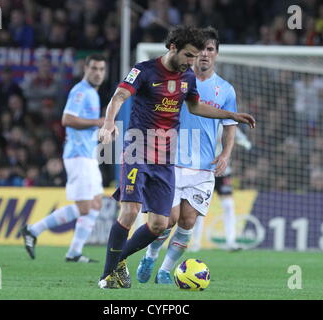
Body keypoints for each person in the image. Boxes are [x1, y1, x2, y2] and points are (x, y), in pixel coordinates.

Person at [97, 25, 255, 289]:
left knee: (159, 224)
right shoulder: (144, 70)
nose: (192, 62)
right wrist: (108, 123)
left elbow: (195, 106)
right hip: (138, 149)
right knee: (130, 211)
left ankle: (120, 261)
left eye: (196, 56)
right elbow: (120, 95)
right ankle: (107, 276)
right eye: (189, 55)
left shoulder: (188, 78)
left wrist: (231, 115)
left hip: (165, 158)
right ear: (173, 48)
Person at [136, 26, 245, 284]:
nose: (205, 55)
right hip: (171, 160)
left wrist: (226, 155)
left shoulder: (226, 90)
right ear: (193, 54)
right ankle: (150, 256)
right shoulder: (179, 80)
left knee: (187, 221)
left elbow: (230, 128)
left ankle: (165, 269)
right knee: (167, 219)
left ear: (217, 54)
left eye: (210, 50)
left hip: (204, 165)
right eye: (201, 50)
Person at [21, 54, 106, 263]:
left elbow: (86, 125)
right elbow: (67, 119)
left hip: (88, 155)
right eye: (94, 68)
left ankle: (74, 252)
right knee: (86, 206)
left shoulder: (93, 94)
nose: (97, 73)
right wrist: (98, 121)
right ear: (85, 68)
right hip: (78, 156)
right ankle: (33, 230)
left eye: (101, 69)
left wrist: (100, 132)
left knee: (96, 203)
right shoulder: (80, 91)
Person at [189, 125, 252, 252]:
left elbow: (234, 132)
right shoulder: (202, 120)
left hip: (222, 170)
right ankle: (195, 243)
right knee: (199, 206)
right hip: (203, 170)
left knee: (228, 205)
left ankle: (231, 241)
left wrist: (245, 142)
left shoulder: (224, 122)